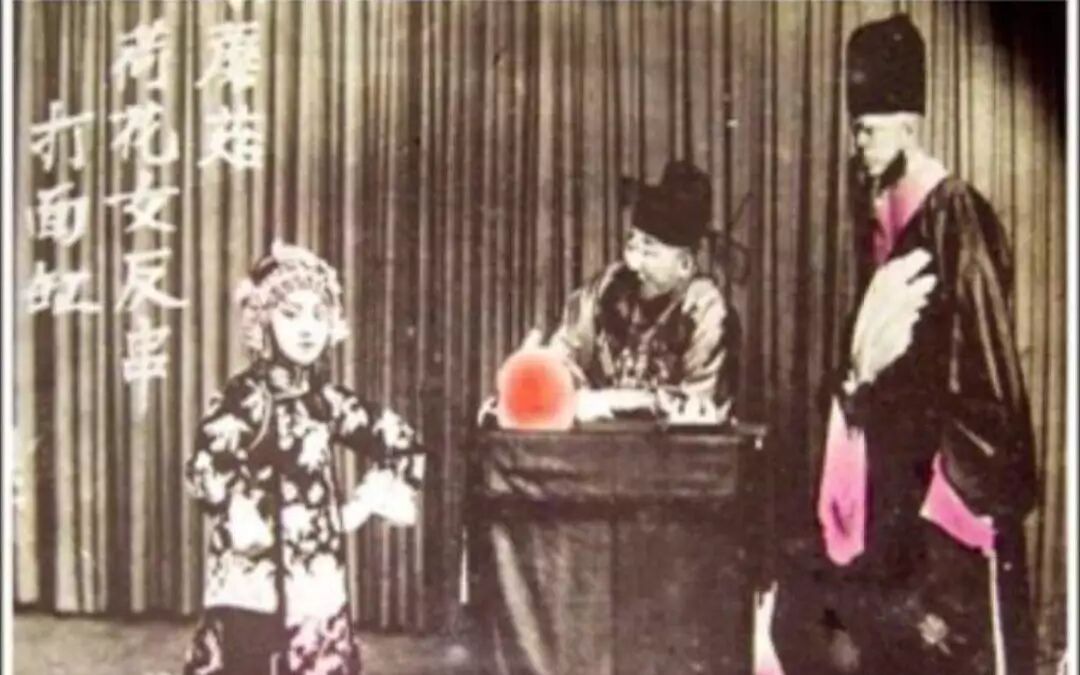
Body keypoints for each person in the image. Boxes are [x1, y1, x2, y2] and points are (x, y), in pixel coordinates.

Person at [771, 14, 1037, 675]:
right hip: (894, 476)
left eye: (868, 129)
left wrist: (961, 486)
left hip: (944, 483)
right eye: (855, 129)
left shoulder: (953, 213)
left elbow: (987, 368)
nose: (857, 143)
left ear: (909, 126)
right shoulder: (888, 215)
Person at [182, 241, 425, 675]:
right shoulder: (242, 399)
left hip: (315, 584)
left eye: (318, 315)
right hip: (250, 588)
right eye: (291, 314)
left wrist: (358, 507)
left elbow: (401, 442)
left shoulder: (328, 402)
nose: (308, 329)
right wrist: (237, 510)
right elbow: (204, 469)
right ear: (263, 321)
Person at [484, 159, 739, 426]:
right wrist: (536, 372)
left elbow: (698, 407)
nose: (633, 262)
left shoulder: (707, 311)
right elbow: (566, 352)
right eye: (632, 245)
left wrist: (606, 402)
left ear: (684, 264)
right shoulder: (609, 285)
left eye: (649, 251)